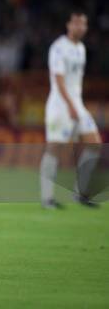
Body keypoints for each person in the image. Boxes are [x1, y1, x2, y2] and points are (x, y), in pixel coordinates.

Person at [39, 11, 102, 209]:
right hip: (60, 105)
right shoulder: (59, 48)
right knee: (54, 148)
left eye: (83, 24)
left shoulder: (81, 48)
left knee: (95, 144)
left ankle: (80, 193)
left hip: (76, 103)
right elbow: (58, 80)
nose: (80, 27)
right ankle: (47, 198)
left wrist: (77, 106)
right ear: (68, 24)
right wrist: (71, 106)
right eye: (76, 23)